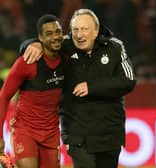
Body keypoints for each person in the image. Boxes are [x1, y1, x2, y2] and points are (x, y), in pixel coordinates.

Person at [20, 9, 136, 168]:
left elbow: (129, 80)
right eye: (75, 30)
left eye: (84, 29)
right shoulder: (64, 46)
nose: (79, 35)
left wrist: (92, 88)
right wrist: (31, 44)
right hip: (77, 135)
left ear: (96, 31)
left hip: (109, 135)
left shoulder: (115, 48)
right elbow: (44, 42)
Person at [0, 14, 65, 168]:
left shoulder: (67, 57)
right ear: (40, 38)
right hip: (25, 131)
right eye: (49, 34)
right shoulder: (26, 62)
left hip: (51, 133)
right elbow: (3, 96)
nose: (55, 36)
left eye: (58, 31)